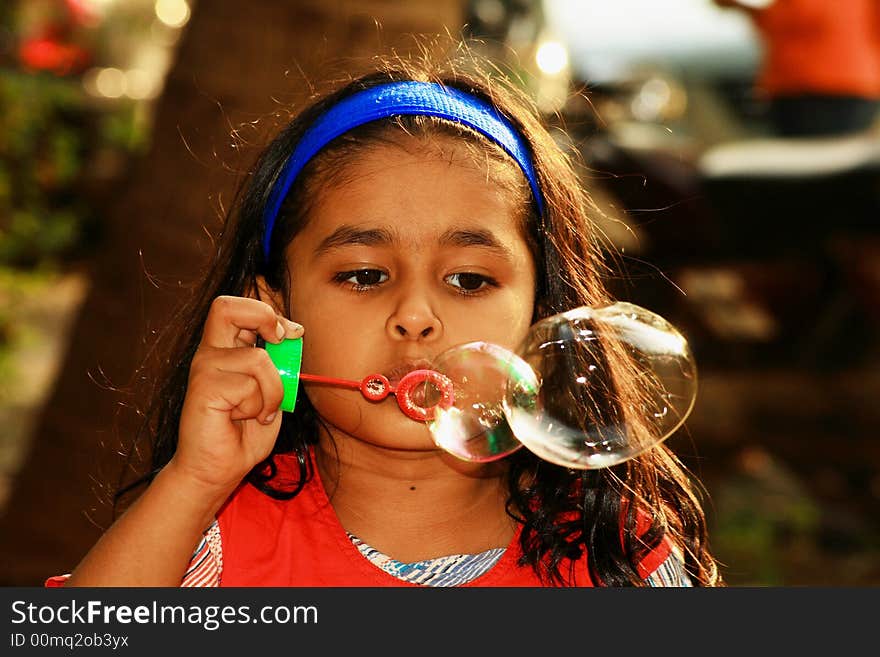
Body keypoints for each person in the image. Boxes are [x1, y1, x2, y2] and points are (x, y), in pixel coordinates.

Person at [49, 43, 723, 587]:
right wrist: (194, 480)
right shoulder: (211, 543)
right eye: (364, 275)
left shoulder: (617, 559)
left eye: (469, 279)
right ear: (271, 313)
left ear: (541, 315)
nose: (415, 317)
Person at [713, 0, 880, 137]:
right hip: (850, 83)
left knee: (818, 167)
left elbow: (799, 19)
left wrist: (742, 9)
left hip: (818, 87)